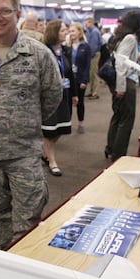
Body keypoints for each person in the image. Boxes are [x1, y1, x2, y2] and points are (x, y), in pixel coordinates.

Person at [0, 0, 62, 249]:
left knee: (27, 223)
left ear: (17, 13)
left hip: (24, 154)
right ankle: (4, 263)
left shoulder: (39, 54)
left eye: (5, 11)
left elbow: (53, 96)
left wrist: (24, 120)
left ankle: (25, 271)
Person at [41, 20, 78, 177]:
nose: (66, 33)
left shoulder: (66, 51)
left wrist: (75, 94)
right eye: (63, 30)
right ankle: (52, 161)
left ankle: (45, 153)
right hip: (49, 96)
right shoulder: (44, 51)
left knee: (61, 129)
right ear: (54, 32)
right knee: (50, 131)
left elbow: (70, 74)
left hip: (65, 94)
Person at [105, 11, 140, 161]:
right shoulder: (130, 38)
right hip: (125, 82)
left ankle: (111, 148)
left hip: (120, 81)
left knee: (118, 116)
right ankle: (118, 154)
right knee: (126, 120)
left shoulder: (121, 37)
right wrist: (121, 87)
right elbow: (121, 63)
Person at [68, 22, 91, 133]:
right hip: (69, 79)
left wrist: (85, 80)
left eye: (73, 31)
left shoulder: (85, 47)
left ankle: (80, 123)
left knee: (80, 102)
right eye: (70, 31)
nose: (71, 33)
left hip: (80, 78)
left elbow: (87, 65)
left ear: (79, 32)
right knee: (68, 102)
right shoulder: (67, 47)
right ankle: (68, 123)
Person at [84, 17, 102, 99]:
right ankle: (92, 91)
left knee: (94, 74)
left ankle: (95, 93)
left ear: (91, 23)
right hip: (93, 54)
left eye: (87, 23)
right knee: (91, 74)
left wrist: (89, 56)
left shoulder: (94, 32)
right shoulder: (91, 31)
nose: (85, 25)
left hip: (94, 55)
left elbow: (93, 46)